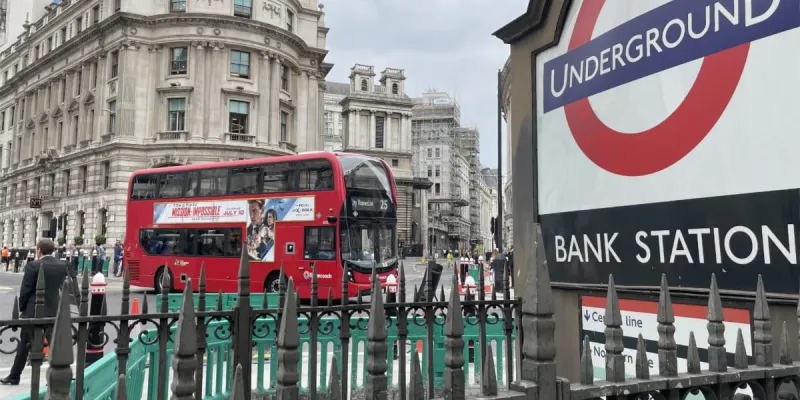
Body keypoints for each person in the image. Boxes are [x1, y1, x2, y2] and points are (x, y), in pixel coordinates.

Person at [1, 239, 76, 385]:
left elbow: (26, 290)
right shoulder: (62, 265)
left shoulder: (33, 266)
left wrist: (22, 308)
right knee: (55, 345)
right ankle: (57, 377)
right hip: (54, 310)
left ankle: (15, 376)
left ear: (39, 250)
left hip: (33, 310)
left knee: (25, 345)